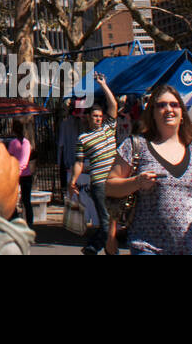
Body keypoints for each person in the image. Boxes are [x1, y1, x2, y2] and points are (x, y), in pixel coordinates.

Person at [105, 83, 192, 255]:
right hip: (148, 247)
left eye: (174, 104)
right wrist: (136, 182)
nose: (168, 109)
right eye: (161, 105)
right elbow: (110, 186)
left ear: (182, 114)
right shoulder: (136, 146)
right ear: (153, 113)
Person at [69, 73, 118, 254]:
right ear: (88, 117)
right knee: (106, 223)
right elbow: (78, 162)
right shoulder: (83, 138)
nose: (98, 118)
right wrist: (72, 181)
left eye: (100, 116)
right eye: (94, 116)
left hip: (116, 181)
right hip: (98, 184)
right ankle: (92, 249)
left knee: (113, 224)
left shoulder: (109, 128)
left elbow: (114, 105)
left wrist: (103, 85)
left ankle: (94, 248)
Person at [7, 120, 35, 228]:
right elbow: (25, 160)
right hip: (26, 174)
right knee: (26, 200)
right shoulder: (26, 142)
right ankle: (29, 222)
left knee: (14, 199)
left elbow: (10, 157)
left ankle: (16, 219)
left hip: (16, 174)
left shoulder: (15, 143)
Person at [56, 104, 80, 200]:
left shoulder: (65, 123)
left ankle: (67, 196)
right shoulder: (69, 123)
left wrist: (59, 159)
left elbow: (61, 144)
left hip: (69, 157)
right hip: (74, 157)